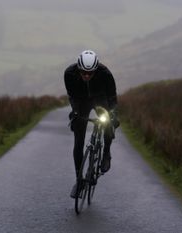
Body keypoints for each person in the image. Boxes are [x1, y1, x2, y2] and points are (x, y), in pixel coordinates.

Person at [64, 50, 119, 198]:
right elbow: (72, 96)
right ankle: (79, 181)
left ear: (96, 69)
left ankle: (106, 152)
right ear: (78, 68)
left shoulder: (105, 74)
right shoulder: (69, 73)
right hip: (81, 102)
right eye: (83, 73)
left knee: (108, 123)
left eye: (90, 73)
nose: (87, 76)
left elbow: (113, 98)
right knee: (79, 140)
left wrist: (113, 115)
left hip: (100, 100)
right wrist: (75, 112)